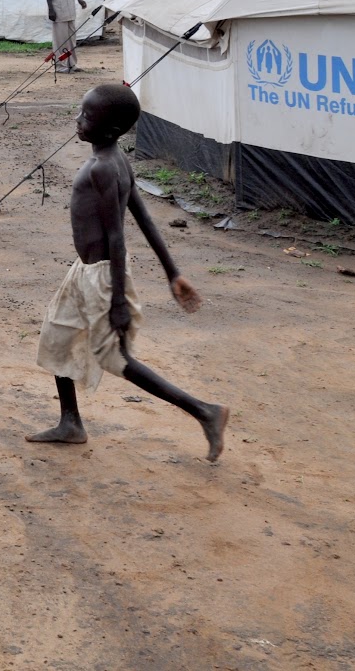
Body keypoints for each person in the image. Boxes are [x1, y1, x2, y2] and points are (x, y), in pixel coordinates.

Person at [26, 84, 230, 461]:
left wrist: (118, 301)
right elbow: (145, 217)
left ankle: (205, 412)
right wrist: (173, 273)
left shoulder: (105, 168)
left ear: (111, 130)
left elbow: (117, 237)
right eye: (80, 111)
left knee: (116, 358)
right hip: (84, 271)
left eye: (87, 116)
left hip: (103, 277)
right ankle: (70, 423)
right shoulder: (116, 159)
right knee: (58, 335)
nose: (77, 119)